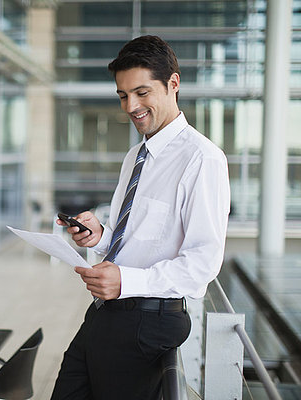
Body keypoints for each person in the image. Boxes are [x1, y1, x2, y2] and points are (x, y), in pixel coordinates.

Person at [51, 35, 230, 399]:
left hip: (147, 321)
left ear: (173, 84)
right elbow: (131, 238)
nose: (130, 106)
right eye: (122, 95)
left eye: (142, 93)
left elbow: (202, 265)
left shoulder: (202, 159)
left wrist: (126, 282)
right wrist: (99, 235)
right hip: (106, 313)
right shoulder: (136, 155)